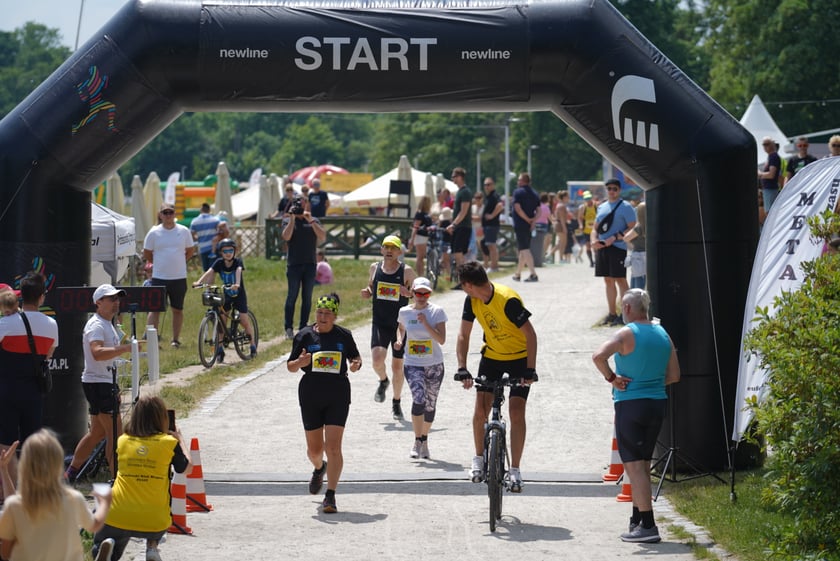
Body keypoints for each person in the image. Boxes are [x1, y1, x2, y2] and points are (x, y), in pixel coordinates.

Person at [591, 288, 680, 543]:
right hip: (657, 403)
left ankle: (649, 526)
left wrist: (612, 378)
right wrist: (650, 382)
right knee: (642, 463)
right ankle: (637, 519)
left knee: (634, 467)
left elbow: (598, 356)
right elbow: (674, 376)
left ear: (628, 308)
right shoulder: (663, 334)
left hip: (631, 404)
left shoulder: (625, 334)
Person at [454, 261, 538, 493]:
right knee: (480, 409)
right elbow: (463, 334)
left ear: (469, 285)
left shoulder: (507, 300)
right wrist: (462, 367)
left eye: (462, 285)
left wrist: (530, 371)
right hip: (492, 356)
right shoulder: (472, 300)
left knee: (516, 411)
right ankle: (479, 458)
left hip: (520, 358)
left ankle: (516, 470)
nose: (463, 289)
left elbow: (531, 335)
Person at [91, 395, 192, 561]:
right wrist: (180, 439)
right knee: (158, 508)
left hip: (116, 513)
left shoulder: (122, 441)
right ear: (162, 418)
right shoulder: (168, 443)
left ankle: (107, 545)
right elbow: (187, 468)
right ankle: (152, 547)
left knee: (113, 530)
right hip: (154, 518)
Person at [287, 293, 362, 514]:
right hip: (310, 394)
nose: (322, 316)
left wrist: (356, 364)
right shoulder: (304, 336)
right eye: (319, 312)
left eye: (327, 313)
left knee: (333, 447)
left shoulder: (344, 336)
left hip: (337, 394)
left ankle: (330, 495)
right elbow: (290, 366)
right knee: (314, 450)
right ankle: (319, 468)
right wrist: (300, 362)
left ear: (335, 315)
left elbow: (355, 358)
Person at [0, 429, 113, 561]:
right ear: (59, 464)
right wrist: (104, 503)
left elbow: (5, 553)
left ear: (24, 465)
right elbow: (94, 525)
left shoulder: (14, 505)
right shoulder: (73, 498)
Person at [65, 284, 138, 482]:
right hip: (98, 383)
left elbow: (104, 357)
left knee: (97, 433)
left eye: (117, 299)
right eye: (111, 299)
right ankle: (119, 479)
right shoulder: (97, 325)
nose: (116, 302)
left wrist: (113, 384)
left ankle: (70, 473)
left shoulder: (106, 323)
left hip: (101, 382)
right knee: (116, 434)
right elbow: (97, 353)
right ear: (98, 303)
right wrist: (125, 349)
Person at [0, 271, 58, 484]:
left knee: (6, 442)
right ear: (42, 296)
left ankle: (10, 489)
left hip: (6, 389)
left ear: (21, 296)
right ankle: (30, 489)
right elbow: (49, 355)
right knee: (31, 441)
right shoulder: (52, 325)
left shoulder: (6, 324)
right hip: (34, 391)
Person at [360, 235, 416, 421]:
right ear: (381, 250)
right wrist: (367, 292)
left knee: (397, 366)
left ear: (400, 252)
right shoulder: (374, 268)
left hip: (400, 325)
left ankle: (396, 401)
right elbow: (370, 287)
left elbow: (420, 298)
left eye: (394, 248)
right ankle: (383, 380)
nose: (389, 250)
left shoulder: (407, 272)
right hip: (380, 322)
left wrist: (407, 293)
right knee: (377, 360)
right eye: (386, 247)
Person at [395, 277, 448, 459]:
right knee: (419, 399)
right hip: (413, 363)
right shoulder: (404, 311)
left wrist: (425, 323)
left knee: (430, 404)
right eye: (418, 293)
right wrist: (400, 339)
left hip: (434, 364)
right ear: (412, 293)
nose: (422, 297)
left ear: (430, 294)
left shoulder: (436, 312)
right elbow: (401, 327)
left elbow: (441, 339)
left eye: (426, 294)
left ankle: (424, 440)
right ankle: (417, 440)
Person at [193, 238, 257, 359]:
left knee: (244, 320)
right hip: (227, 295)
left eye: (230, 250)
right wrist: (199, 282)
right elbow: (210, 272)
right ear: (221, 253)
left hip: (239, 295)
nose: (228, 253)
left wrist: (237, 284)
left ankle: (253, 345)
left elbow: (238, 271)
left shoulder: (238, 262)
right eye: (225, 251)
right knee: (221, 321)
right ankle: (220, 349)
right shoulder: (219, 262)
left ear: (235, 251)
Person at [143, 203, 196, 348]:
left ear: (174, 214)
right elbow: (147, 253)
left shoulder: (184, 231)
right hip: (159, 277)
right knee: (155, 309)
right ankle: (151, 340)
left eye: (170, 212)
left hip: (178, 277)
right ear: (160, 215)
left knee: (177, 309)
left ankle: (175, 339)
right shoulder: (154, 232)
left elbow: (190, 250)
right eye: (165, 213)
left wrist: (180, 260)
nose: (168, 215)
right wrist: (158, 262)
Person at [591, 179, 637, 326]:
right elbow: (595, 228)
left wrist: (616, 237)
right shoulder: (601, 206)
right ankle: (612, 313)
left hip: (618, 248)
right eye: (609, 188)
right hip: (603, 248)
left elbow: (633, 227)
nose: (611, 191)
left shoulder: (626, 207)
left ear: (619, 190)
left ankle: (626, 314)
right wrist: (593, 241)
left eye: (614, 189)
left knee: (620, 280)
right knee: (608, 280)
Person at [282, 195, 326, 339]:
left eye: (303, 203)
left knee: (307, 297)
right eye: (298, 204)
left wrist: (310, 220)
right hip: (294, 264)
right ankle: (288, 327)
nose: (301, 207)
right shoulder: (288, 221)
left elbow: (322, 236)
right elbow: (286, 237)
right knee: (292, 296)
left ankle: (303, 326)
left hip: (310, 264)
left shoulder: (313, 220)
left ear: (308, 205)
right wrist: (292, 219)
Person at [445, 167, 472, 288]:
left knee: (459, 255)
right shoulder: (460, 192)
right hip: (459, 227)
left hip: (463, 227)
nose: (452, 179)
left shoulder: (465, 192)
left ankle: (465, 281)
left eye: (454, 176)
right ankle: (463, 281)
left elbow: (464, 211)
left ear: (460, 177)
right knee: (458, 255)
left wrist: (454, 224)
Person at [511, 172, 540, 282]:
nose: (517, 182)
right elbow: (539, 211)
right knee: (523, 249)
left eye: (519, 180)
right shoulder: (534, 193)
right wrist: (533, 221)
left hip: (520, 223)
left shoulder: (518, 192)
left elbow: (517, 208)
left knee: (524, 249)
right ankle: (518, 274)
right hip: (529, 225)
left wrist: (526, 219)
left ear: (522, 181)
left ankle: (533, 274)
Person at [481, 177, 504, 272]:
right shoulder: (488, 196)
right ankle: (493, 265)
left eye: (488, 184)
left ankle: (494, 266)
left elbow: (500, 205)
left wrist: (492, 215)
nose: (486, 186)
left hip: (492, 225)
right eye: (485, 185)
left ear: (493, 185)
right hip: (487, 226)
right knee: (489, 245)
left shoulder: (494, 195)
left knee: (492, 246)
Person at [189, 202, 221, 271]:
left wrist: (197, 238)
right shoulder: (215, 220)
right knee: (213, 270)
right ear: (209, 210)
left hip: (202, 247)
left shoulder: (194, 221)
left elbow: (191, 235)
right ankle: (211, 281)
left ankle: (207, 282)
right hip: (214, 248)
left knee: (206, 270)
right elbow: (220, 232)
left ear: (201, 210)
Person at [407, 195, 433, 277]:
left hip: (424, 237)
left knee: (421, 257)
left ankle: (421, 274)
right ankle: (420, 275)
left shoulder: (426, 214)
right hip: (420, 236)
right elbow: (416, 227)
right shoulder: (420, 213)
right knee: (420, 257)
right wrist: (412, 239)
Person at [757, 136, 781, 212]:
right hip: (768, 189)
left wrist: (760, 174)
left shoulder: (773, 156)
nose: (765, 146)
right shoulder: (771, 157)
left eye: (767, 144)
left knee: (770, 212)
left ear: (773, 144)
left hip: (770, 189)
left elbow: (771, 174)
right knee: (768, 212)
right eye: (764, 144)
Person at [626, 200, 646, 289]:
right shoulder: (651, 225)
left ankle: (637, 302)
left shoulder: (639, 227)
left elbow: (626, 237)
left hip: (638, 256)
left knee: (637, 284)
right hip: (647, 255)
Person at [577, 190, 597, 266]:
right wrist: (580, 225)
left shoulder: (596, 206)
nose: (588, 200)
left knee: (595, 246)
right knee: (588, 246)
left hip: (595, 230)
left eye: (589, 198)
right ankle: (591, 262)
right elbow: (579, 218)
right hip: (586, 230)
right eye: (586, 199)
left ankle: (597, 261)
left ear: (591, 197)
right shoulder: (583, 207)